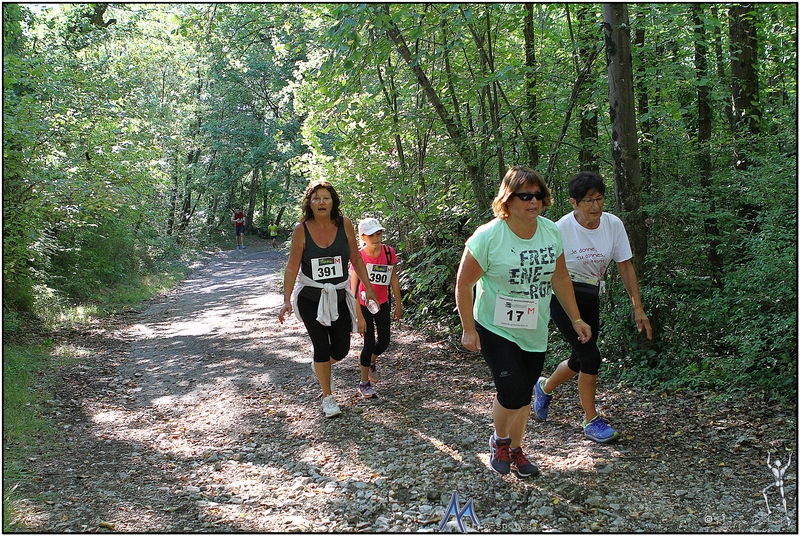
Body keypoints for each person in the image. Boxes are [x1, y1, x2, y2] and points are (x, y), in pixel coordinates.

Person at [455, 166, 591, 478]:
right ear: (508, 199)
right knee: (513, 391)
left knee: (525, 394)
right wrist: (468, 328)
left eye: (538, 195)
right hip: (495, 326)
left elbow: (560, 278)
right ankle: (499, 440)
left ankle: (516, 450)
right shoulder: (488, 237)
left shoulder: (550, 232)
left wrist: (576, 318)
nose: (534, 201)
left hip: (533, 326)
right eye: (525, 196)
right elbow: (463, 285)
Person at [533, 171, 653, 443]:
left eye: (599, 199)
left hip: (591, 294)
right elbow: (548, 272)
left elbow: (625, 266)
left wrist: (637, 307)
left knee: (579, 359)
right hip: (562, 296)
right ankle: (591, 420)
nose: (595, 206)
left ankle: (544, 387)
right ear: (574, 203)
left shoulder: (613, 225)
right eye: (588, 200)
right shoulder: (559, 229)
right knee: (590, 357)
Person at [278, 180, 379, 418]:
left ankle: (320, 366)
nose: (321, 202)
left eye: (326, 198)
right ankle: (328, 397)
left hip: (338, 295)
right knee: (321, 346)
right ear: (310, 203)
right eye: (316, 198)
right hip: (310, 297)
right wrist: (286, 299)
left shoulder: (344, 224)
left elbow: (356, 258)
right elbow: (292, 266)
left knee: (341, 349)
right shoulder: (301, 229)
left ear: (333, 202)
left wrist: (368, 287)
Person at [349, 217, 403, 398]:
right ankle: (364, 383)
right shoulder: (359, 257)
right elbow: (354, 290)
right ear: (362, 237)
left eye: (378, 234)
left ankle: (371, 361)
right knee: (369, 342)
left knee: (385, 341)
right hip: (364, 304)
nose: (376, 238)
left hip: (382, 302)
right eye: (371, 235)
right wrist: (359, 316)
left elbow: (393, 278)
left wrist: (398, 304)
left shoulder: (388, 252)